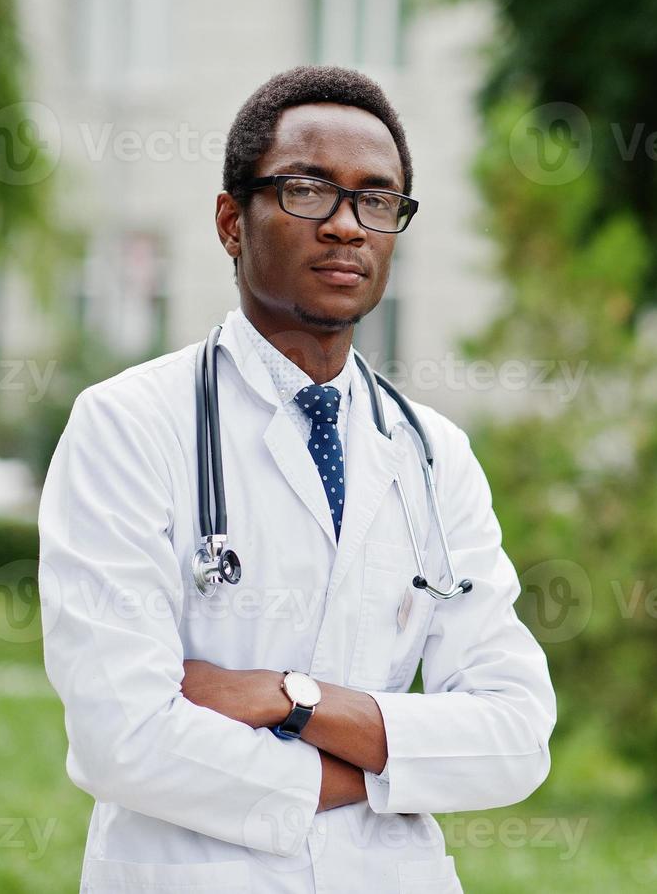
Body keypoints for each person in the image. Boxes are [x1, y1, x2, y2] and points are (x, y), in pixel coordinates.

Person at [38, 65, 556, 894]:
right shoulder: (128, 426)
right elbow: (123, 737)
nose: (347, 227)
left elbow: (515, 736)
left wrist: (292, 699)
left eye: (376, 201)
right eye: (308, 192)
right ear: (230, 222)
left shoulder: (432, 452)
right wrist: (392, 768)